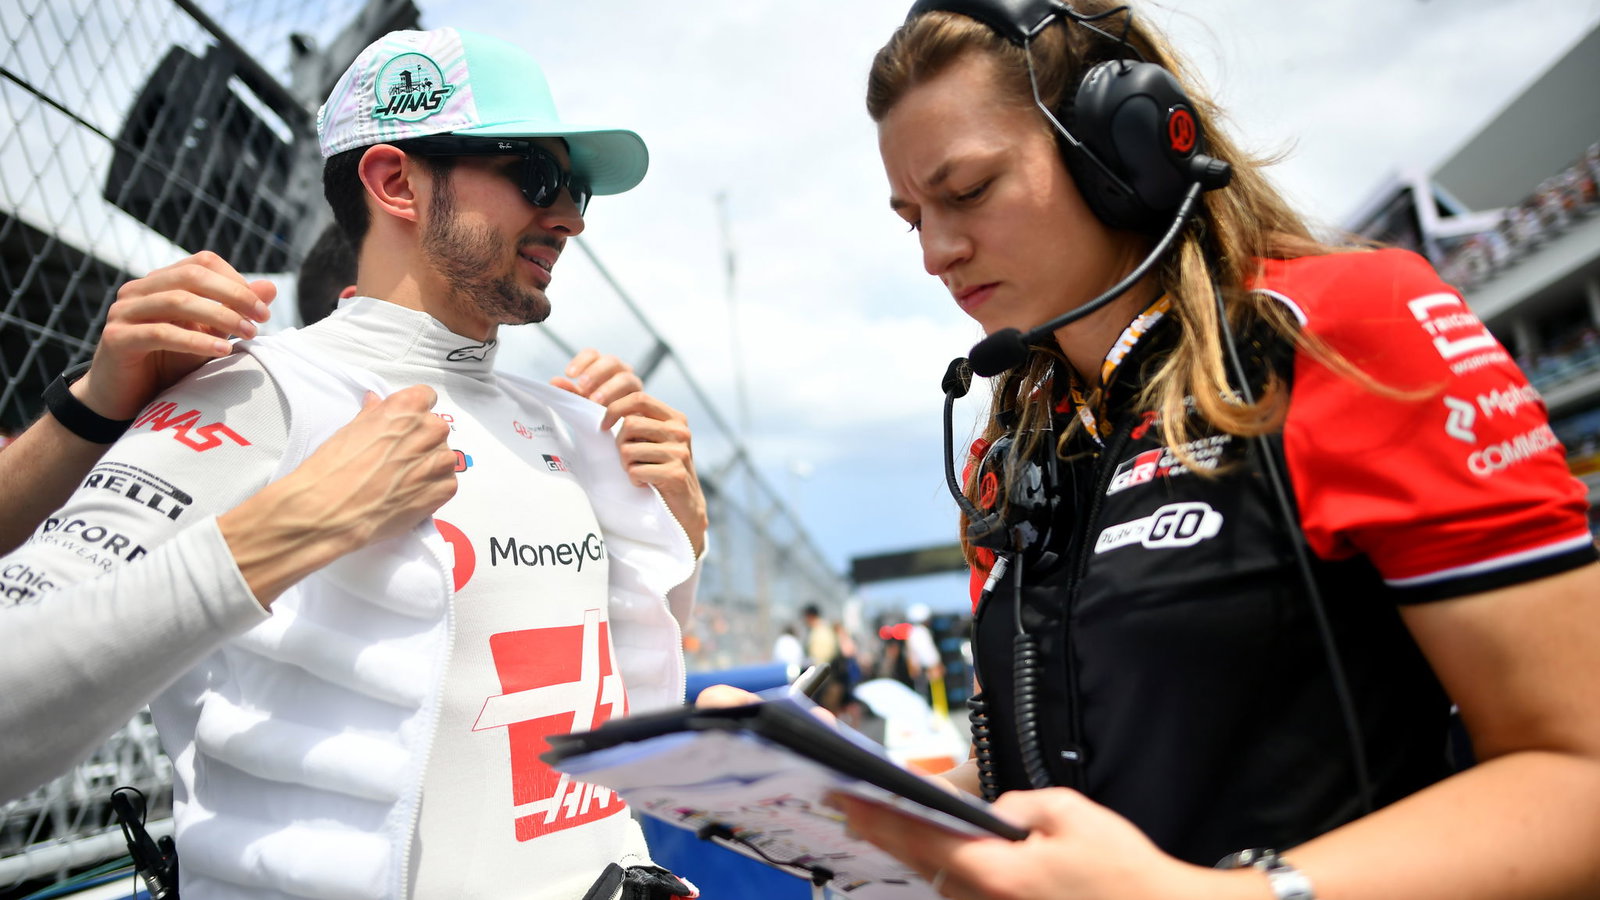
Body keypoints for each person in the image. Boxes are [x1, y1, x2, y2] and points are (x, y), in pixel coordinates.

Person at [834, 2, 1600, 899]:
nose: (936, 251)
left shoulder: (1344, 326)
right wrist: (835, 805)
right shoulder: (1014, 450)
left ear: (1122, 151)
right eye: (911, 215)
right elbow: (1051, 781)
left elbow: (1576, 770)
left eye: (966, 191)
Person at [3, 26, 706, 900]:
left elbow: (616, 737)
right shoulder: (259, 395)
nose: (569, 216)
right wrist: (279, 534)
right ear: (394, 182)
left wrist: (683, 544)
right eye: (536, 176)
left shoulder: (572, 425)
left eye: (582, 190)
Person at [0, 255, 458, 802]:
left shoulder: (552, 418)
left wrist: (96, 410)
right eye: (529, 178)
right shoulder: (260, 384)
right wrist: (301, 520)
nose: (568, 220)